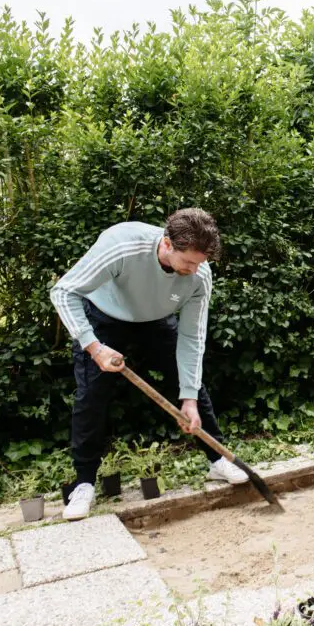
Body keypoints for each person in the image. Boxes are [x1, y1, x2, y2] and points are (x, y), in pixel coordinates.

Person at [50, 209, 247, 521]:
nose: (196, 270)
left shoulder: (199, 273)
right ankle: (84, 482)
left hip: (155, 318)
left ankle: (217, 460)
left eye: (200, 263)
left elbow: (192, 338)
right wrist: (94, 346)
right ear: (167, 244)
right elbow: (63, 292)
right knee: (92, 394)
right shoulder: (122, 245)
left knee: (189, 385)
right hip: (103, 317)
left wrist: (189, 397)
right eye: (189, 262)